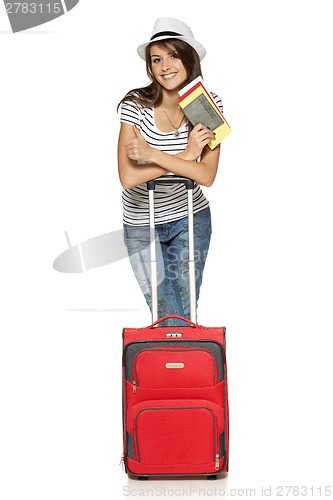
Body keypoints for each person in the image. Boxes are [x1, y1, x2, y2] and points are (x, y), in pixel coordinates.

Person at [117, 17, 223, 325]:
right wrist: (186, 155)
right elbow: (128, 177)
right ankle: (180, 370)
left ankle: (179, 370)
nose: (165, 66)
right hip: (141, 222)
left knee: (183, 309)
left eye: (173, 55)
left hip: (190, 219)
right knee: (164, 308)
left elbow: (206, 175)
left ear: (189, 57)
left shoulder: (207, 105)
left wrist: (151, 154)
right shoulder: (135, 104)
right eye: (156, 59)